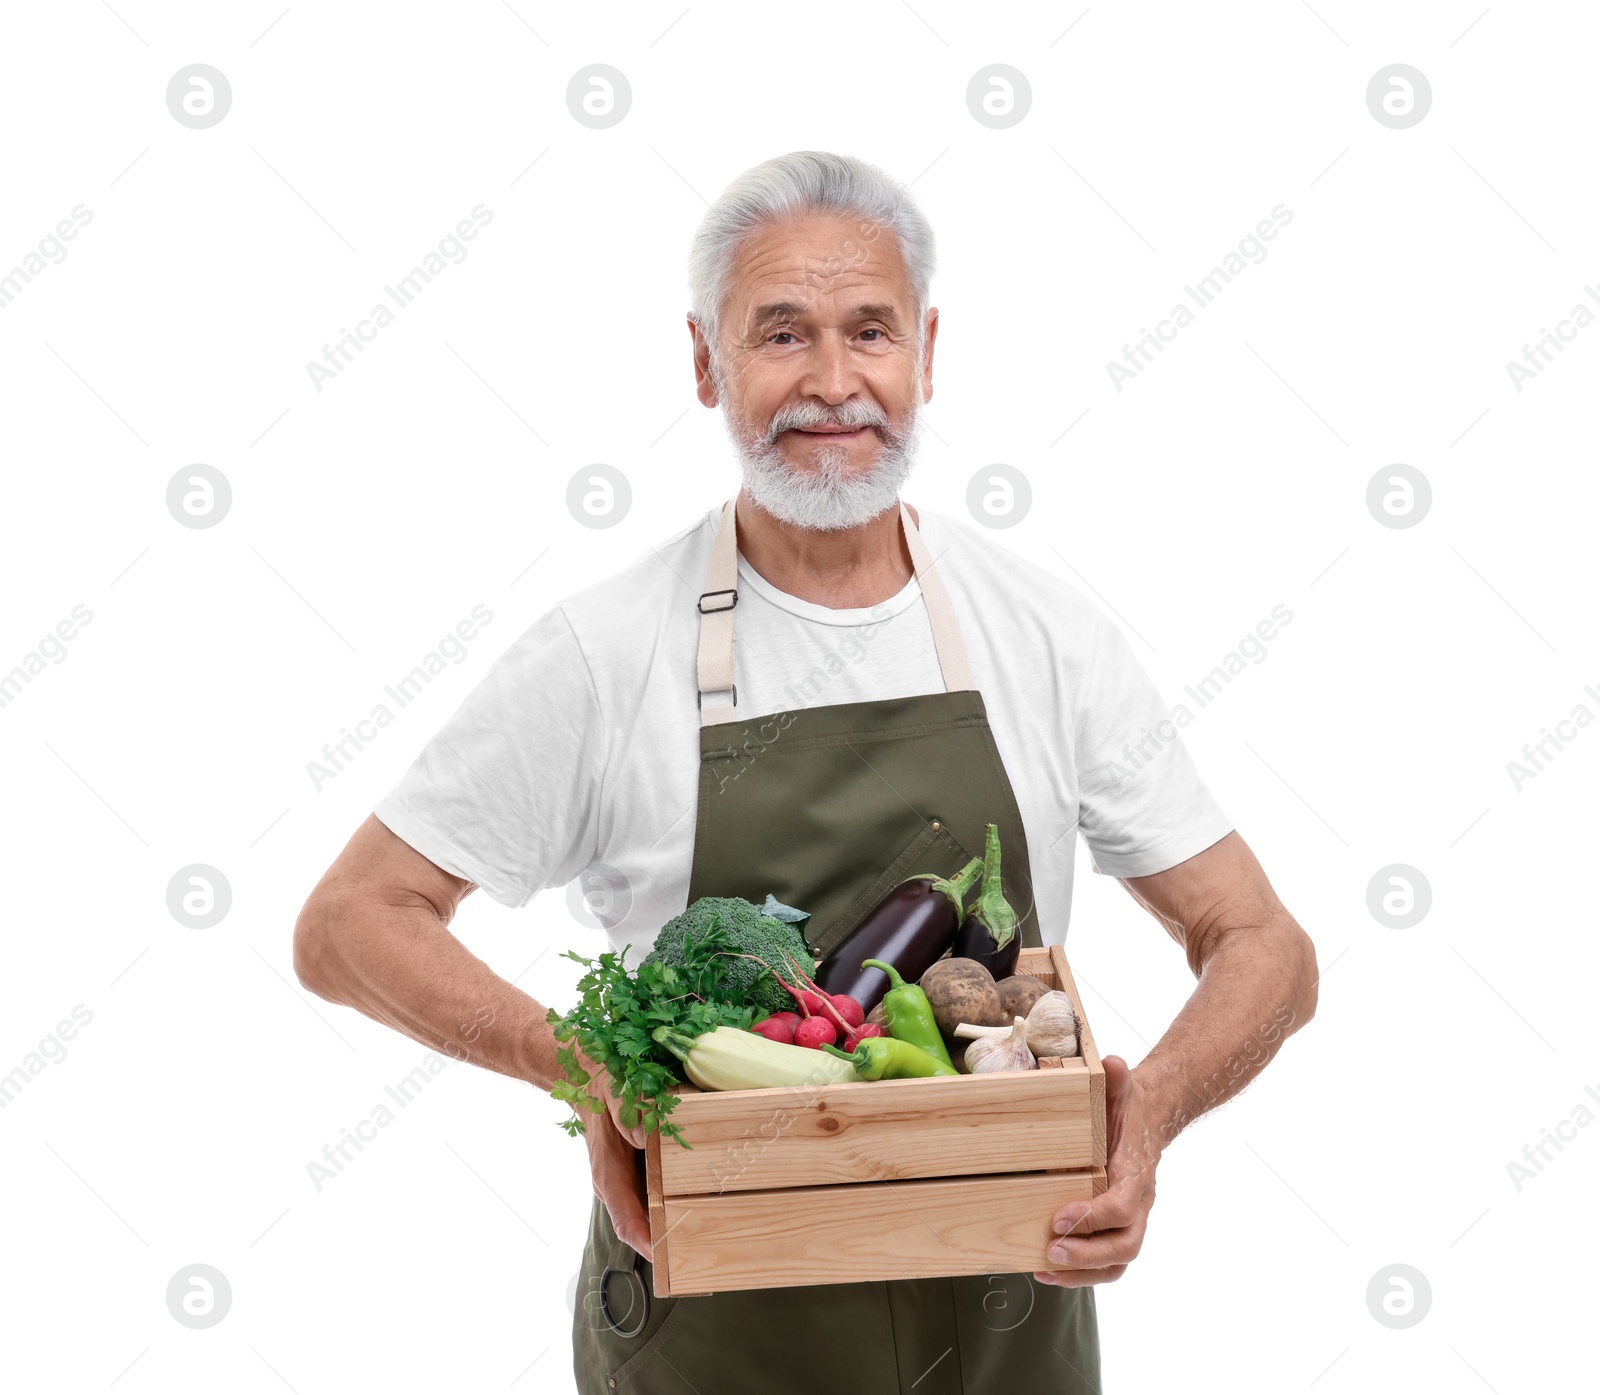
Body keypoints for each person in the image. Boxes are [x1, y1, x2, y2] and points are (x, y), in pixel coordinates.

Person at [293, 150, 1318, 1394]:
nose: (833, 385)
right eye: (781, 334)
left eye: (869, 330)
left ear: (926, 352)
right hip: (713, 1330)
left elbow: (1263, 941)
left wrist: (1141, 1115)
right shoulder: (602, 654)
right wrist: (583, 1066)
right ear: (704, 363)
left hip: (1005, 1326)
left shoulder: (1044, 636)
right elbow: (347, 924)